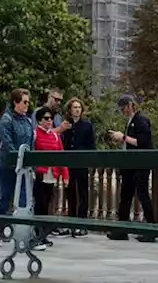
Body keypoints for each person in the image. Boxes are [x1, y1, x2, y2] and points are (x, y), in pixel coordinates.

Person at [0, 88, 35, 246]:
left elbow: (30, 143)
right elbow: (8, 144)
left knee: (24, 200)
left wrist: (30, 163)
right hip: (7, 165)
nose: (27, 105)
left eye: (28, 102)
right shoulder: (6, 120)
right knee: (5, 198)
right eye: (24, 102)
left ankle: (23, 234)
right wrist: (17, 159)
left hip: (24, 167)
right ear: (15, 102)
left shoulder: (27, 120)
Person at [107, 94, 156, 241]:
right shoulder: (130, 121)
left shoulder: (141, 120)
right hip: (129, 163)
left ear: (130, 105)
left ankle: (151, 229)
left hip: (140, 163)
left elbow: (143, 142)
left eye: (123, 108)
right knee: (125, 196)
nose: (123, 111)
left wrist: (122, 137)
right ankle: (122, 229)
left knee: (142, 194)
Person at [30, 107, 66, 250]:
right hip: (39, 174)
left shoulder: (55, 136)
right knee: (40, 204)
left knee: (48, 204)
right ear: (39, 120)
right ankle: (37, 236)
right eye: (46, 118)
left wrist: (65, 174)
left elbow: (60, 154)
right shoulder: (34, 134)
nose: (49, 121)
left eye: (51, 118)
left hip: (52, 174)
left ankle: (43, 235)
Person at [60, 97, 95, 236]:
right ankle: (71, 222)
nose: (77, 110)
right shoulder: (66, 125)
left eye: (79, 107)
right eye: (74, 107)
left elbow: (91, 145)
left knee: (83, 193)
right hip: (69, 162)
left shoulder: (87, 125)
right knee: (70, 193)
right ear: (70, 109)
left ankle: (82, 224)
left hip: (81, 162)